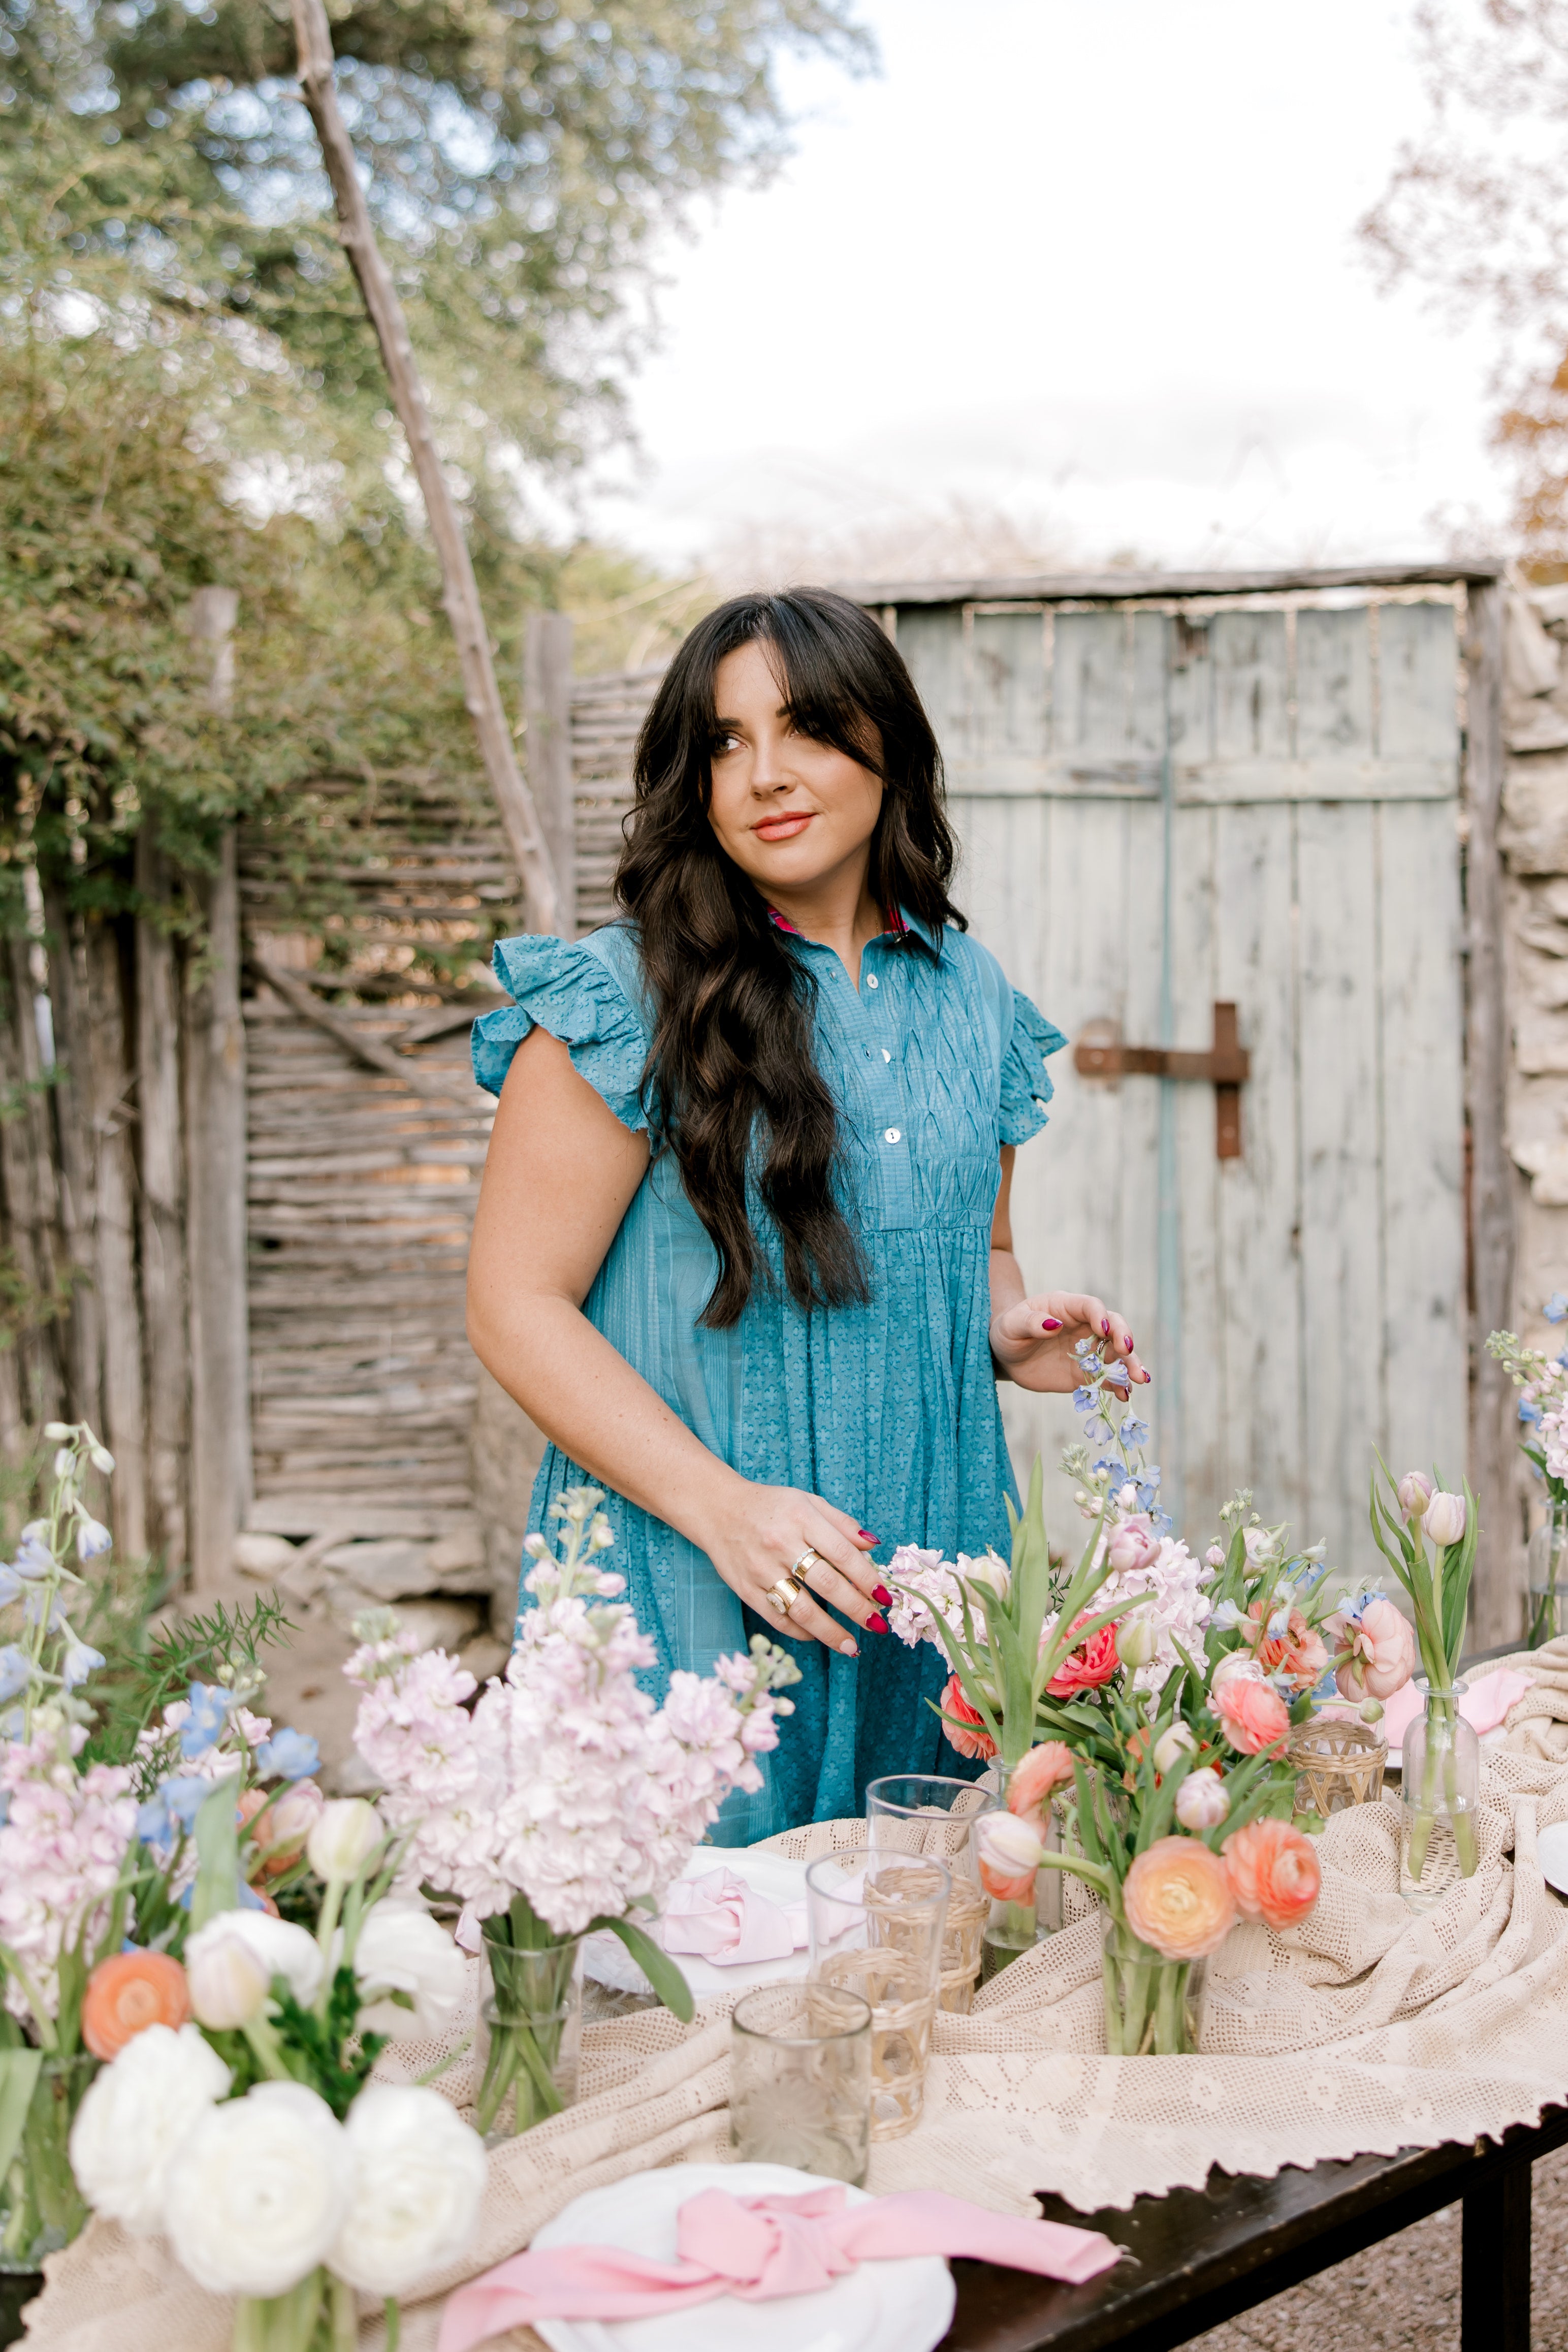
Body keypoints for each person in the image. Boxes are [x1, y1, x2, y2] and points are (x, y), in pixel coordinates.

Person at [466, 588, 1147, 1839]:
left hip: (926, 1575)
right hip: (689, 1576)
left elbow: (980, 1242)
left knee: (912, 1966)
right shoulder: (623, 993)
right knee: (689, 1982)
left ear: (885, 745)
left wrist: (1008, 1326)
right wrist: (722, 1507)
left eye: (807, 729)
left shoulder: (973, 995)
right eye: (724, 742)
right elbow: (514, 1303)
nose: (764, 774)